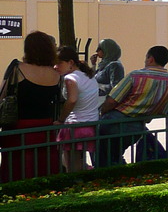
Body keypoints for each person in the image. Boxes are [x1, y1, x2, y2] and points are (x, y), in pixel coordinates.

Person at [95, 45, 168, 167]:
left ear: (150, 59)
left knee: (103, 157)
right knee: (115, 155)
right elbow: (163, 111)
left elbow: (112, 100)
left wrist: (102, 111)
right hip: (138, 126)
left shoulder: (135, 76)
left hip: (114, 121)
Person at [0, 32, 62, 181]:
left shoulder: (17, 68)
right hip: (45, 128)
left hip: (18, 128)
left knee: (18, 169)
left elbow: (2, 94)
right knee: (43, 167)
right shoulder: (55, 74)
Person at [54, 46, 100, 173]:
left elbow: (72, 100)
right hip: (90, 124)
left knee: (72, 168)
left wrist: (61, 119)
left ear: (70, 63)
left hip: (74, 126)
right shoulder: (89, 76)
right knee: (79, 163)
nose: (55, 67)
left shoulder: (70, 78)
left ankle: (76, 188)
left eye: (58, 63)